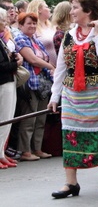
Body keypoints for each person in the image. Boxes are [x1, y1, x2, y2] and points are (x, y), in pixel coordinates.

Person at [48, 0, 98, 199]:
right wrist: (54, 96)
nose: (71, 12)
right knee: (70, 134)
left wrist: (97, 35)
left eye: (75, 7)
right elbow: (61, 67)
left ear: (88, 11)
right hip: (75, 94)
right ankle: (71, 183)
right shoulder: (69, 35)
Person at [15, 12, 55, 162]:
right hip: (31, 83)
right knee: (29, 119)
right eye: (28, 23)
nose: (32, 26)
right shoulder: (20, 38)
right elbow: (33, 59)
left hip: (43, 84)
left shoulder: (35, 39)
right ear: (20, 25)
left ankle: (37, 148)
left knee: (41, 118)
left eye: (33, 23)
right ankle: (25, 150)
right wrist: (51, 67)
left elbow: (43, 57)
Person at [0, 8, 24, 169]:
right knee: (4, 119)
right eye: (3, 19)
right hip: (3, 82)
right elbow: (1, 66)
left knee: (6, 120)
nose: (6, 21)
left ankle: (1, 153)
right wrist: (17, 63)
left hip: (7, 81)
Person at [27, 0, 57, 67]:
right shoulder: (33, 29)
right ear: (39, 10)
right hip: (46, 69)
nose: (49, 10)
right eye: (46, 7)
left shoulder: (52, 26)